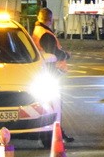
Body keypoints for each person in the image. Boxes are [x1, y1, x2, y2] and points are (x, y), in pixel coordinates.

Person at [32, 8, 74, 141]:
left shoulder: (37, 31)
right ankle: (55, 133)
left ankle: (55, 132)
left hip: (45, 70)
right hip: (52, 71)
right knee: (55, 105)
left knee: (51, 104)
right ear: (50, 20)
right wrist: (66, 55)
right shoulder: (46, 33)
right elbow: (53, 52)